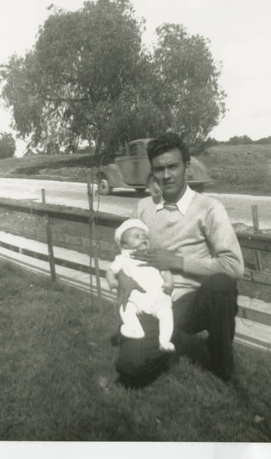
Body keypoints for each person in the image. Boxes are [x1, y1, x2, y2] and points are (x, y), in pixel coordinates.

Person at [114, 132, 244, 386]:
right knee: (130, 369)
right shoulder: (143, 207)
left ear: (186, 166)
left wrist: (176, 262)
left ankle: (221, 362)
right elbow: (125, 252)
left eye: (173, 166)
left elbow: (234, 266)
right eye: (159, 169)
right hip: (154, 301)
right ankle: (167, 345)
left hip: (193, 303)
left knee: (222, 285)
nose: (166, 175)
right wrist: (124, 280)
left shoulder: (209, 208)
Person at [106, 218, 175, 352]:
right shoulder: (123, 258)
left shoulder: (153, 255)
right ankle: (135, 329)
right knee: (126, 309)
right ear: (125, 246)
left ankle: (165, 341)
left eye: (144, 236)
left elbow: (166, 271)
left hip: (158, 296)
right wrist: (112, 281)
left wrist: (169, 282)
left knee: (167, 314)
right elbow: (110, 272)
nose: (142, 238)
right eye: (136, 236)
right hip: (136, 298)